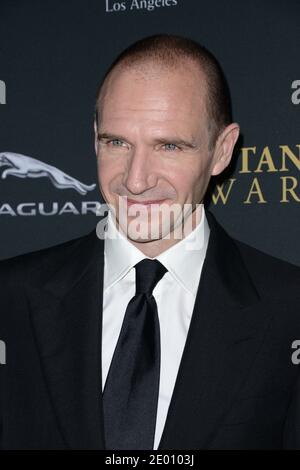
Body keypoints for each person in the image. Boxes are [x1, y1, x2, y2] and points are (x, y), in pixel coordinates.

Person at [0, 34, 300, 450]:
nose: (136, 180)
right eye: (117, 142)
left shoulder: (289, 310)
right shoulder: (10, 298)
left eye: (170, 146)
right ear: (94, 136)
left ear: (222, 150)